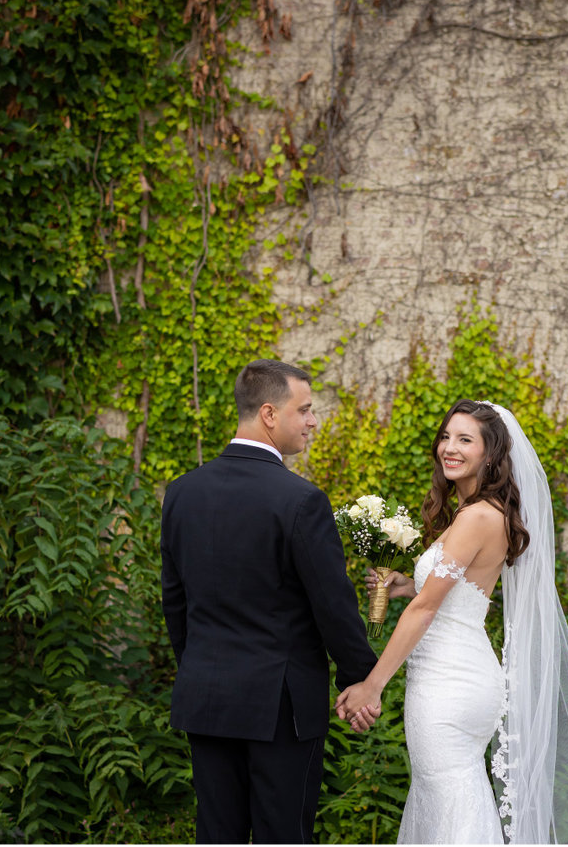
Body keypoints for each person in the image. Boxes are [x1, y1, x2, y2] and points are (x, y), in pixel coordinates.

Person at [336, 400, 568, 843]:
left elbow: (426, 610)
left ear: (491, 454)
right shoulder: (481, 512)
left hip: (449, 685)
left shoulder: (477, 516)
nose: (450, 448)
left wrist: (373, 684)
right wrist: (409, 586)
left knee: (450, 801)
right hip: (460, 675)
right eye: (446, 436)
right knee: (449, 798)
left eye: (465, 440)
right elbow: (451, 594)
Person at [161, 359, 379, 844]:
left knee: (218, 834)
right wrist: (360, 679)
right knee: (284, 834)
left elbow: (174, 602)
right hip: (280, 706)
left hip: (207, 697)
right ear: (268, 414)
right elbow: (332, 604)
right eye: (304, 409)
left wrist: (200, 666)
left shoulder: (180, 494)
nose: (313, 420)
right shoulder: (301, 500)